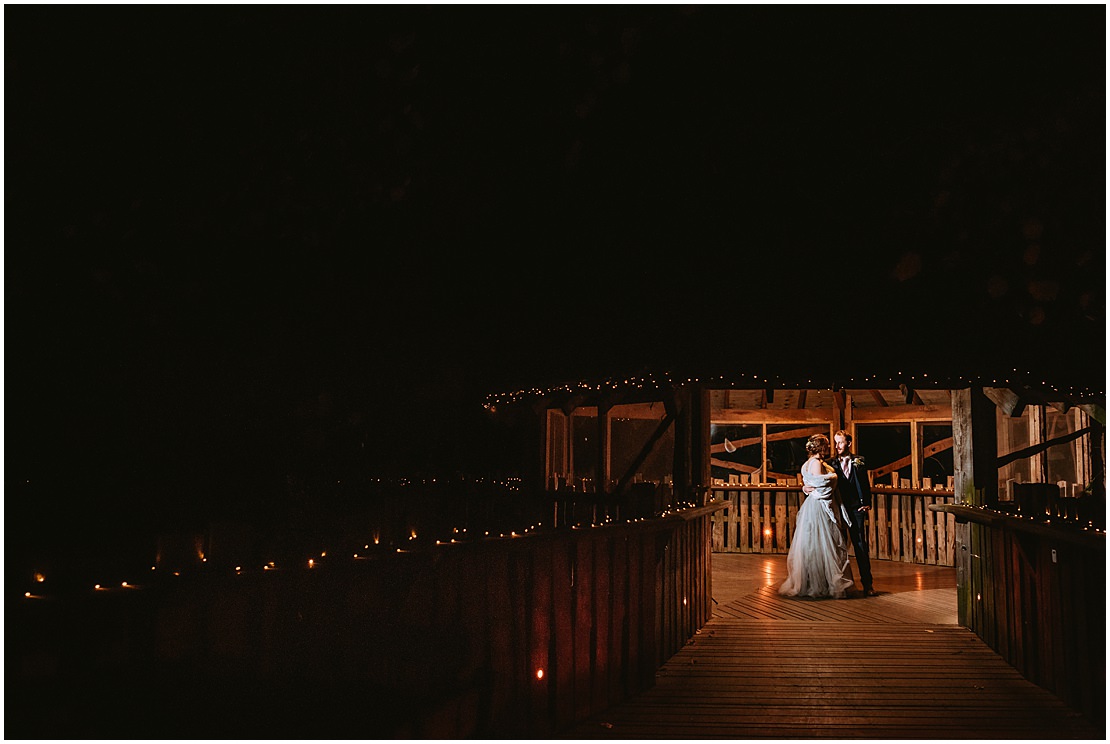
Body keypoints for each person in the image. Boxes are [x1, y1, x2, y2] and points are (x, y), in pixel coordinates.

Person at [779, 434, 854, 599]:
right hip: (819, 507)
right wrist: (833, 478)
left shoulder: (808, 463)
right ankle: (821, 583)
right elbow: (823, 489)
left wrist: (807, 487)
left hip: (811, 505)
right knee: (824, 544)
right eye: (826, 445)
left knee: (813, 543)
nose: (829, 448)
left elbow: (813, 484)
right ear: (821, 447)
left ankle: (813, 580)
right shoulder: (816, 463)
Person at [829, 429, 878, 596]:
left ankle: (868, 584)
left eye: (840, 442)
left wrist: (867, 503)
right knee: (839, 546)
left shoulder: (859, 461)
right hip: (839, 508)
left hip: (857, 508)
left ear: (849, 443)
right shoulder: (830, 463)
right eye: (835, 442)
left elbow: (865, 483)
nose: (837, 446)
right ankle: (840, 585)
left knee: (860, 546)